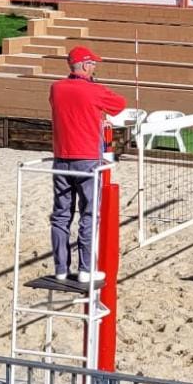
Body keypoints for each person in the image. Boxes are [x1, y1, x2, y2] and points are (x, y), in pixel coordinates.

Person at [49, 46, 127, 284]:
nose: (94, 68)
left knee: (61, 215)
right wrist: (95, 90)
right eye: (92, 64)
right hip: (86, 160)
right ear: (85, 65)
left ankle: (61, 268)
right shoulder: (94, 90)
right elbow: (120, 104)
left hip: (61, 159)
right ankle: (85, 269)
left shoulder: (56, 88)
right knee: (89, 214)